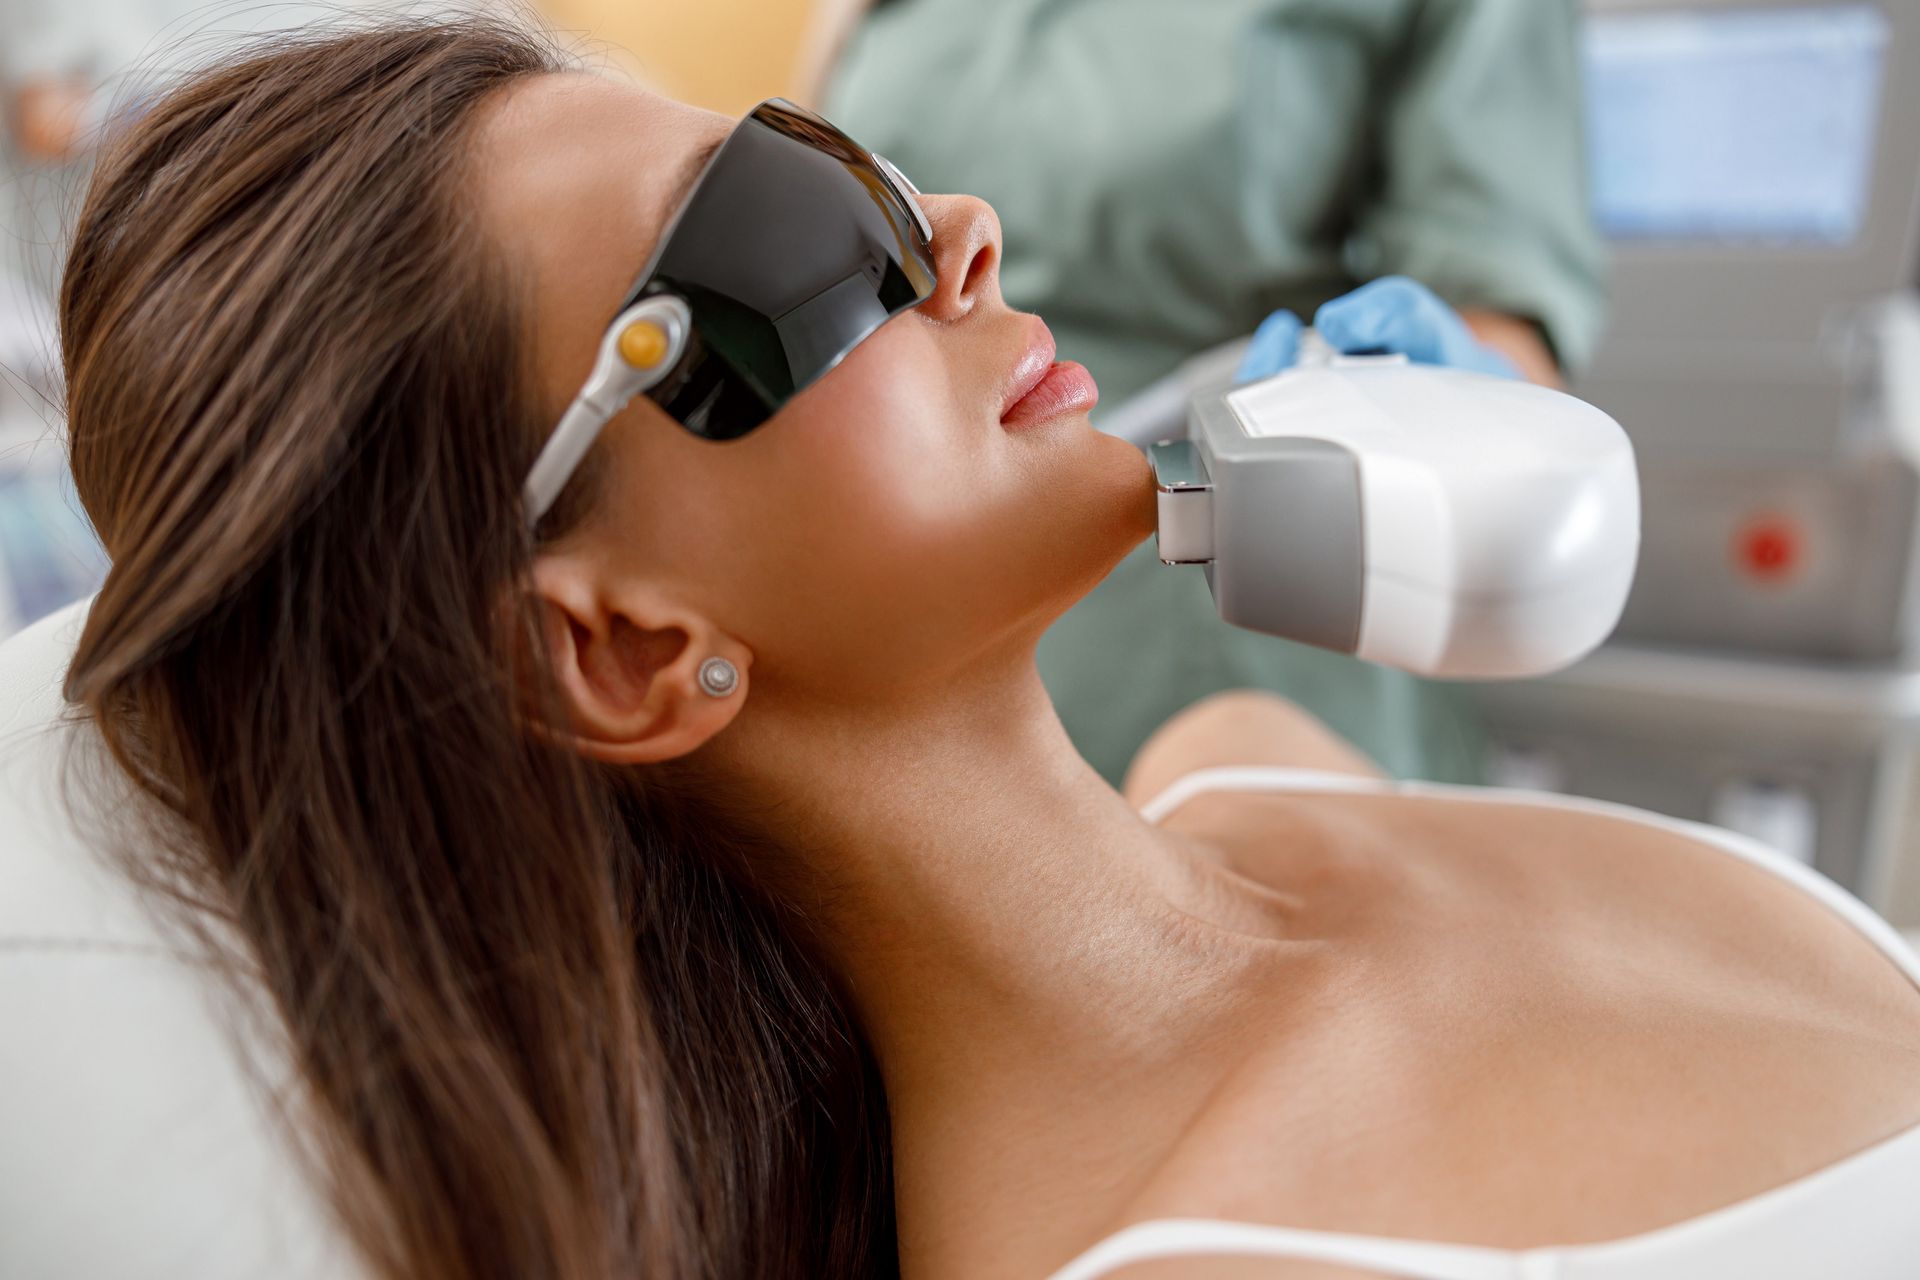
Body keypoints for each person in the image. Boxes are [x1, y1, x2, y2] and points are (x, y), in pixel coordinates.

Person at [3, 19, 1918, 1280]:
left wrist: (1445, 423)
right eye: (786, 238)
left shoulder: (1249, 778)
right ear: (624, 655)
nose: (964, 234)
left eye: (849, 160)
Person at [816, 0, 1606, 784]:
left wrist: (1463, 389)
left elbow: (1503, 298)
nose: (969, 226)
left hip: (1252, 594)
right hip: (920, 606)